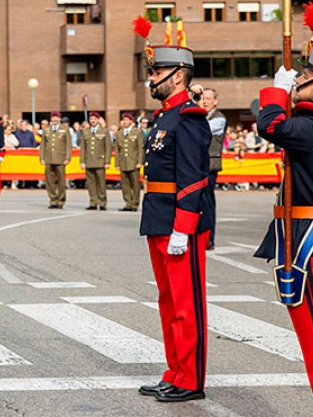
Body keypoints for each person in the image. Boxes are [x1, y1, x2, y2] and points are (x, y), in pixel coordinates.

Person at [134, 21, 212, 403]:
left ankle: (191, 379)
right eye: (151, 71)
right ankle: (175, 371)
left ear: (179, 76)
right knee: (168, 302)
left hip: (182, 223)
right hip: (159, 217)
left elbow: (195, 178)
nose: (152, 78)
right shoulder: (164, 116)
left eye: (158, 72)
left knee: (187, 304)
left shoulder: (190, 118)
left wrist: (184, 228)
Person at [255, 57, 313, 413]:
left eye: (306, 76)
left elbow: (271, 125)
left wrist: (277, 91)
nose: (298, 79)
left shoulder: (311, 128)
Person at [200, 88, 225, 250]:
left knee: (207, 203)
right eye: (202, 98)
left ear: (215, 101)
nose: (204, 101)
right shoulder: (202, 116)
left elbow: (202, 131)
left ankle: (209, 238)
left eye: (208, 98)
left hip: (209, 166)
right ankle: (200, 236)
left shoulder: (219, 119)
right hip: (197, 165)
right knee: (197, 203)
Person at [79, 111, 111, 211]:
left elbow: (108, 147)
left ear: (98, 120)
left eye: (94, 119)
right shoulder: (86, 132)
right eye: (91, 119)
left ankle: (102, 202)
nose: (93, 121)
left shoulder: (104, 131)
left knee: (101, 183)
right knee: (91, 183)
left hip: (100, 161)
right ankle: (93, 202)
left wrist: (107, 161)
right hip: (89, 161)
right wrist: (82, 161)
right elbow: (83, 148)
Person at [40, 111, 72, 209]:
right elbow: (42, 146)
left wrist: (67, 158)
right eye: (53, 117)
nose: (54, 119)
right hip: (49, 158)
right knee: (49, 182)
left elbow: (68, 145)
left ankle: (61, 200)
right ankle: (53, 200)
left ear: (59, 119)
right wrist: (42, 158)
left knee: (61, 182)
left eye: (56, 117)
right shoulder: (46, 130)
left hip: (60, 159)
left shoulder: (65, 129)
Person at [114, 112, 144, 212]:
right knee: (125, 185)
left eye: (127, 120)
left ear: (131, 121)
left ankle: (135, 204)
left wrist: (139, 162)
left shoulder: (137, 132)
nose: (125, 122)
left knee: (135, 185)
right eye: (123, 120)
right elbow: (117, 150)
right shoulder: (119, 133)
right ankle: (128, 203)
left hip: (134, 162)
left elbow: (140, 148)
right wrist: (117, 163)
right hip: (123, 162)